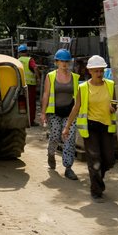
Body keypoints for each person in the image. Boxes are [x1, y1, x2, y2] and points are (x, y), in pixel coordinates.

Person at [62, 55, 117, 202]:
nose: (99, 74)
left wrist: (114, 108)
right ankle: (96, 191)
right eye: (96, 71)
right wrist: (67, 127)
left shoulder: (111, 85)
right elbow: (76, 107)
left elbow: (116, 103)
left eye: (101, 71)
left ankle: (98, 178)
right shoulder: (83, 88)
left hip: (106, 127)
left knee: (109, 159)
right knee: (95, 160)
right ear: (90, 71)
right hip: (90, 128)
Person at [40, 49, 80, 180]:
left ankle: (68, 168)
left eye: (66, 61)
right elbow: (46, 94)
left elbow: (78, 97)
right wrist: (43, 113)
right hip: (55, 113)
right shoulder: (50, 76)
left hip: (70, 113)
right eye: (61, 61)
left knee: (69, 137)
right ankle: (51, 154)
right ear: (56, 62)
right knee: (55, 136)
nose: (64, 63)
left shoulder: (75, 77)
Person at [17, 44, 38, 125]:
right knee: (31, 103)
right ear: (26, 51)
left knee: (22, 103)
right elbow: (35, 68)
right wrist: (38, 77)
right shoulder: (30, 60)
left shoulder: (17, 60)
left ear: (19, 52)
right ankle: (31, 121)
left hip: (21, 84)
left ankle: (22, 120)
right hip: (30, 85)